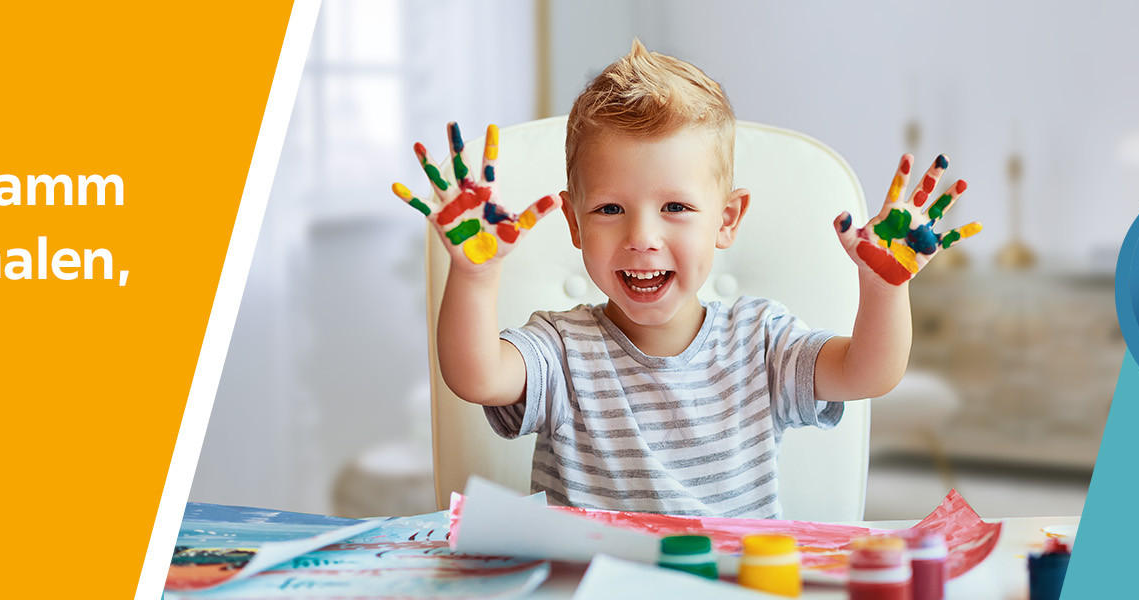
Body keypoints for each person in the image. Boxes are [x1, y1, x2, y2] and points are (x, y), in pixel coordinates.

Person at [396, 41, 980, 518]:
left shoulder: (761, 340)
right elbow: (474, 377)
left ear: (726, 220)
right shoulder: (560, 347)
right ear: (573, 222)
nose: (642, 237)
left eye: (675, 207)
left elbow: (869, 373)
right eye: (609, 210)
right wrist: (473, 277)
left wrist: (885, 289)